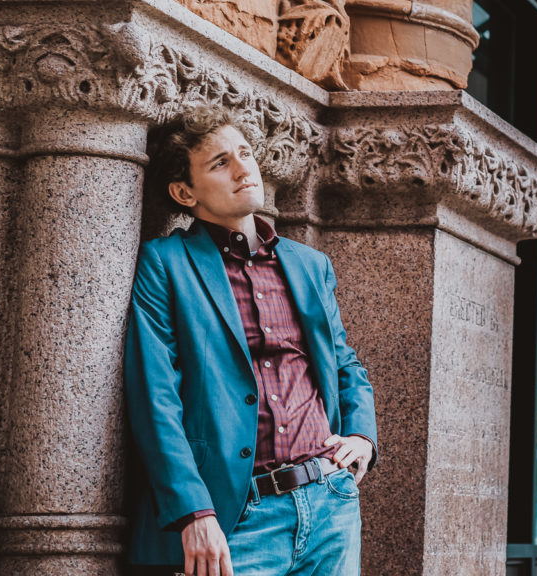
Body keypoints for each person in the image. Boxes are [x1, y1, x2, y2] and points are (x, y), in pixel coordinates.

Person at [125, 106, 377, 576]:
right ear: (184, 191)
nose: (244, 169)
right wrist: (193, 512)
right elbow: (154, 396)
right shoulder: (166, 264)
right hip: (236, 517)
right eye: (221, 163)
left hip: (331, 504)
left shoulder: (309, 265)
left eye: (245, 153)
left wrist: (362, 435)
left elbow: (345, 363)